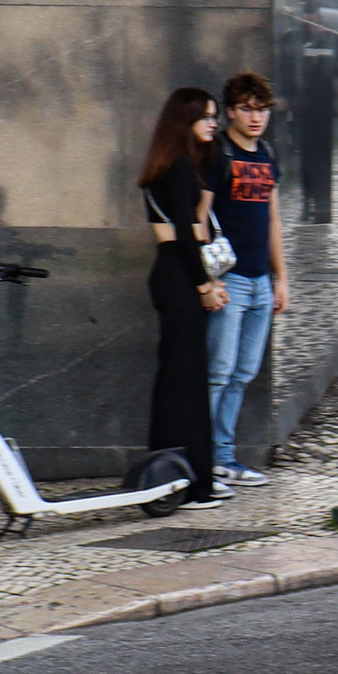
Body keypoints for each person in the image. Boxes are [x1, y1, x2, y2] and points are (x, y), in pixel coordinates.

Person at [139, 89, 229, 508]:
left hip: (172, 269)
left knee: (175, 379)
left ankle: (168, 475)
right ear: (184, 121)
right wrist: (204, 285)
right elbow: (186, 233)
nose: (214, 123)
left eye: (214, 116)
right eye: (205, 117)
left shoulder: (170, 165)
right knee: (187, 382)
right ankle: (193, 483)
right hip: (179, 272)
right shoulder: (176, 168)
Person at [205, 70, 287, 488]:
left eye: (262, 109)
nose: (256, 118)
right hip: (230, 280)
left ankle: (223, 457)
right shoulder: (218, 154)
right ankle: (202, 461)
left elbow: (272, 218)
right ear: (230, 112)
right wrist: (209, 281)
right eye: (247, 109)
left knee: (242, 373)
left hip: (259, 280)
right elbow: (199, 218)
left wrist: (282, 278)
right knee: (218, 372)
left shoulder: (267, 155)